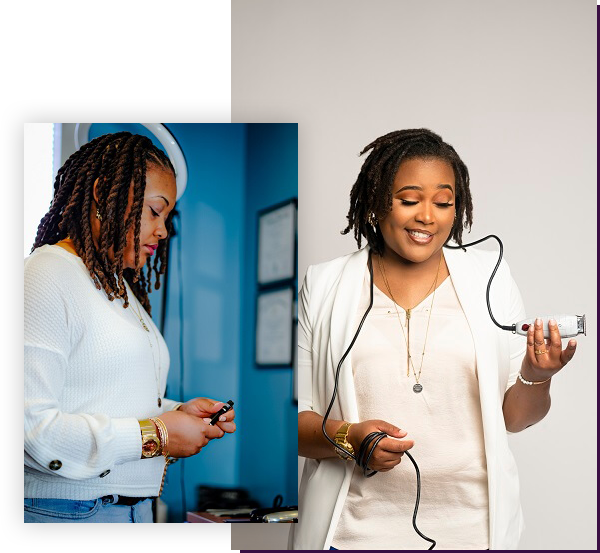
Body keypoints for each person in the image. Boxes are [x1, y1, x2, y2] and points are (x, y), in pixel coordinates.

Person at [293, 129, 578, 549]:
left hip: (472, 532)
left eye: (444, 203)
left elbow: (514, 420)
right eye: (409, 200)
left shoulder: (490, 279)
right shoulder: (324, 285)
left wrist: (537, 374)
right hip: (352, 536)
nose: (428, 216)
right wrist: (352, 439)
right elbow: (293, 424)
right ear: (375, 202)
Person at [24, 132, 236, 523]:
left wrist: (177, 412)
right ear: (105, 194)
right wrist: (158, 435)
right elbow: (32, 428)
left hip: (132, 509)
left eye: (168, 217)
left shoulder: (119, 288)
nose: (163, 230)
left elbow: (106, 398)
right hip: (69, 511)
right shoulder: (47, 274)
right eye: (155, 211)